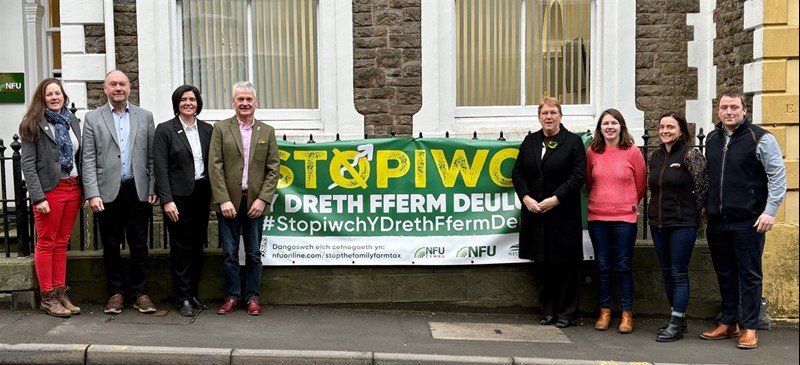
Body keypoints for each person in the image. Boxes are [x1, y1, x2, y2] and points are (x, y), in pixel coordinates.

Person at [700, 91, 786, 349]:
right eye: (724, 107)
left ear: (744, 110)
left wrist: (770, 212)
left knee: (749, 275)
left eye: (734, 107)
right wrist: (706, 207)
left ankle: (749, 327)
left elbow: (778, 178)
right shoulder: (713, 139)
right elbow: (709, 179)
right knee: (725, 273)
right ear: (718, 111)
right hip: (717, 221)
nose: (729, 112)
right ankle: (729, 323)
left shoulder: (760, 138)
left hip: (749, 221)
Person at [82, 70, 158, 315]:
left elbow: (151, 156)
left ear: (129, 88)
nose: (118, 88)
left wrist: (153, 186)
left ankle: (139, 293)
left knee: (139, 244)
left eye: (122, 84)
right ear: (105, 88)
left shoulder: (145, 117)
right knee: (111, 245)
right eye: (113, 84)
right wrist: (92, 193)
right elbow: (88, 159)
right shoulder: (93, 118)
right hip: (107, 192)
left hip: (138, 190)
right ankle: (116, 293)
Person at [512, 96, 587, 329]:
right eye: (545, 113)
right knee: (544, 265)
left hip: (563, 215)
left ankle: (567, 313)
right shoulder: (530, 141)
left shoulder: (573, 142)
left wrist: (555, 199)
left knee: (566, 266)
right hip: (537, 215)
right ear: (539, 117)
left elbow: (578, 176)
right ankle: (548, 310)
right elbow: (518, 173)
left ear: (560, 116)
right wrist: (526, 198)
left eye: (553, 112)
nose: (549, 117)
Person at [209, 81, 280, 316]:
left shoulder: (267, 132)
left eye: (249, 99)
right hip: (229, 202)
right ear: (233, 103)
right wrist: (223, 199)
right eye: (240, 99)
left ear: (256, 102)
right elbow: (215, 166)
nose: (245, 103)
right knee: (229, 253)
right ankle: (232, 296)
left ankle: (252, 297)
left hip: (254, 203)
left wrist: (263, 200)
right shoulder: (221, 128)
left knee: (253, 253)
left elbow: (273, 169)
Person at [19, 78, 83, 318]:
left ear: (64, 96)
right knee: (47, 241)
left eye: (58, 93)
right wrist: (38, 197)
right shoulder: (32, 124)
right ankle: (48, 296)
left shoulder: (71, 120)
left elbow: (80, 156)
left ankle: (59, 291)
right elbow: (27, 164)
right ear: (42, 98)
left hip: (73, 187)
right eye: (50, 94)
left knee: (62, 241)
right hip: (49, 191)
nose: (55, 97)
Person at [153, 85, 213, 317]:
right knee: (180, 248)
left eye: (192, 99)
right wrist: (167, 200)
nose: (188, 103)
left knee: (198, 246)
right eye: (183, 99)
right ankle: (183, 297)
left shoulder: (208, 130)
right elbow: (160, 167)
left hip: (201, 194)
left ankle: (194, 293)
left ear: (198, 103)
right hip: (178, 198)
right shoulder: (166, 130)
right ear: (177, 103)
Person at [648, 112, 707, 342]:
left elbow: (702, 186)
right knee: (667, 273)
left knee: (679, 273)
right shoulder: (655, 156)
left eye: (670, 127)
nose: (665, 131)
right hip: (657, 223)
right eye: (662, 126)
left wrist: (696, 211)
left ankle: (675, 321)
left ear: (681, 130)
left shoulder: (691, 154)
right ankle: (678, 319)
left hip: (682, 223)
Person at [586, 108, 646, 334]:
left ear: (621, 126)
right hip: (598, 217)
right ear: (600, 128)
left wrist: (625, 203)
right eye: (605, 124)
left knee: (623, 266)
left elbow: (640, 185)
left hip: (624, 218)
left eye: (614, 123)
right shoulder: (593, 151)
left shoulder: (632, 152)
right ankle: (604, 312)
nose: (610, 127)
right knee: (602, 265)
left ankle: (627, 314)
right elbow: (589, 181)